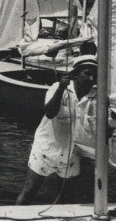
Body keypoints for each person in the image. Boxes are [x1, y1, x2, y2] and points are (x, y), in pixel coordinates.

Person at [15, 55, 98, 210]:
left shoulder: (96, 96)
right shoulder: (57, 88)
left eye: (95, 74)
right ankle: (15, 219)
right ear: (75, 74)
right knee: (29, 191)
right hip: (46, 150)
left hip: (72, 154)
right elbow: (50, 112)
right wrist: (60, 88)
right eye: (87, 73)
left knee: (66, 196)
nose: (92, 78)